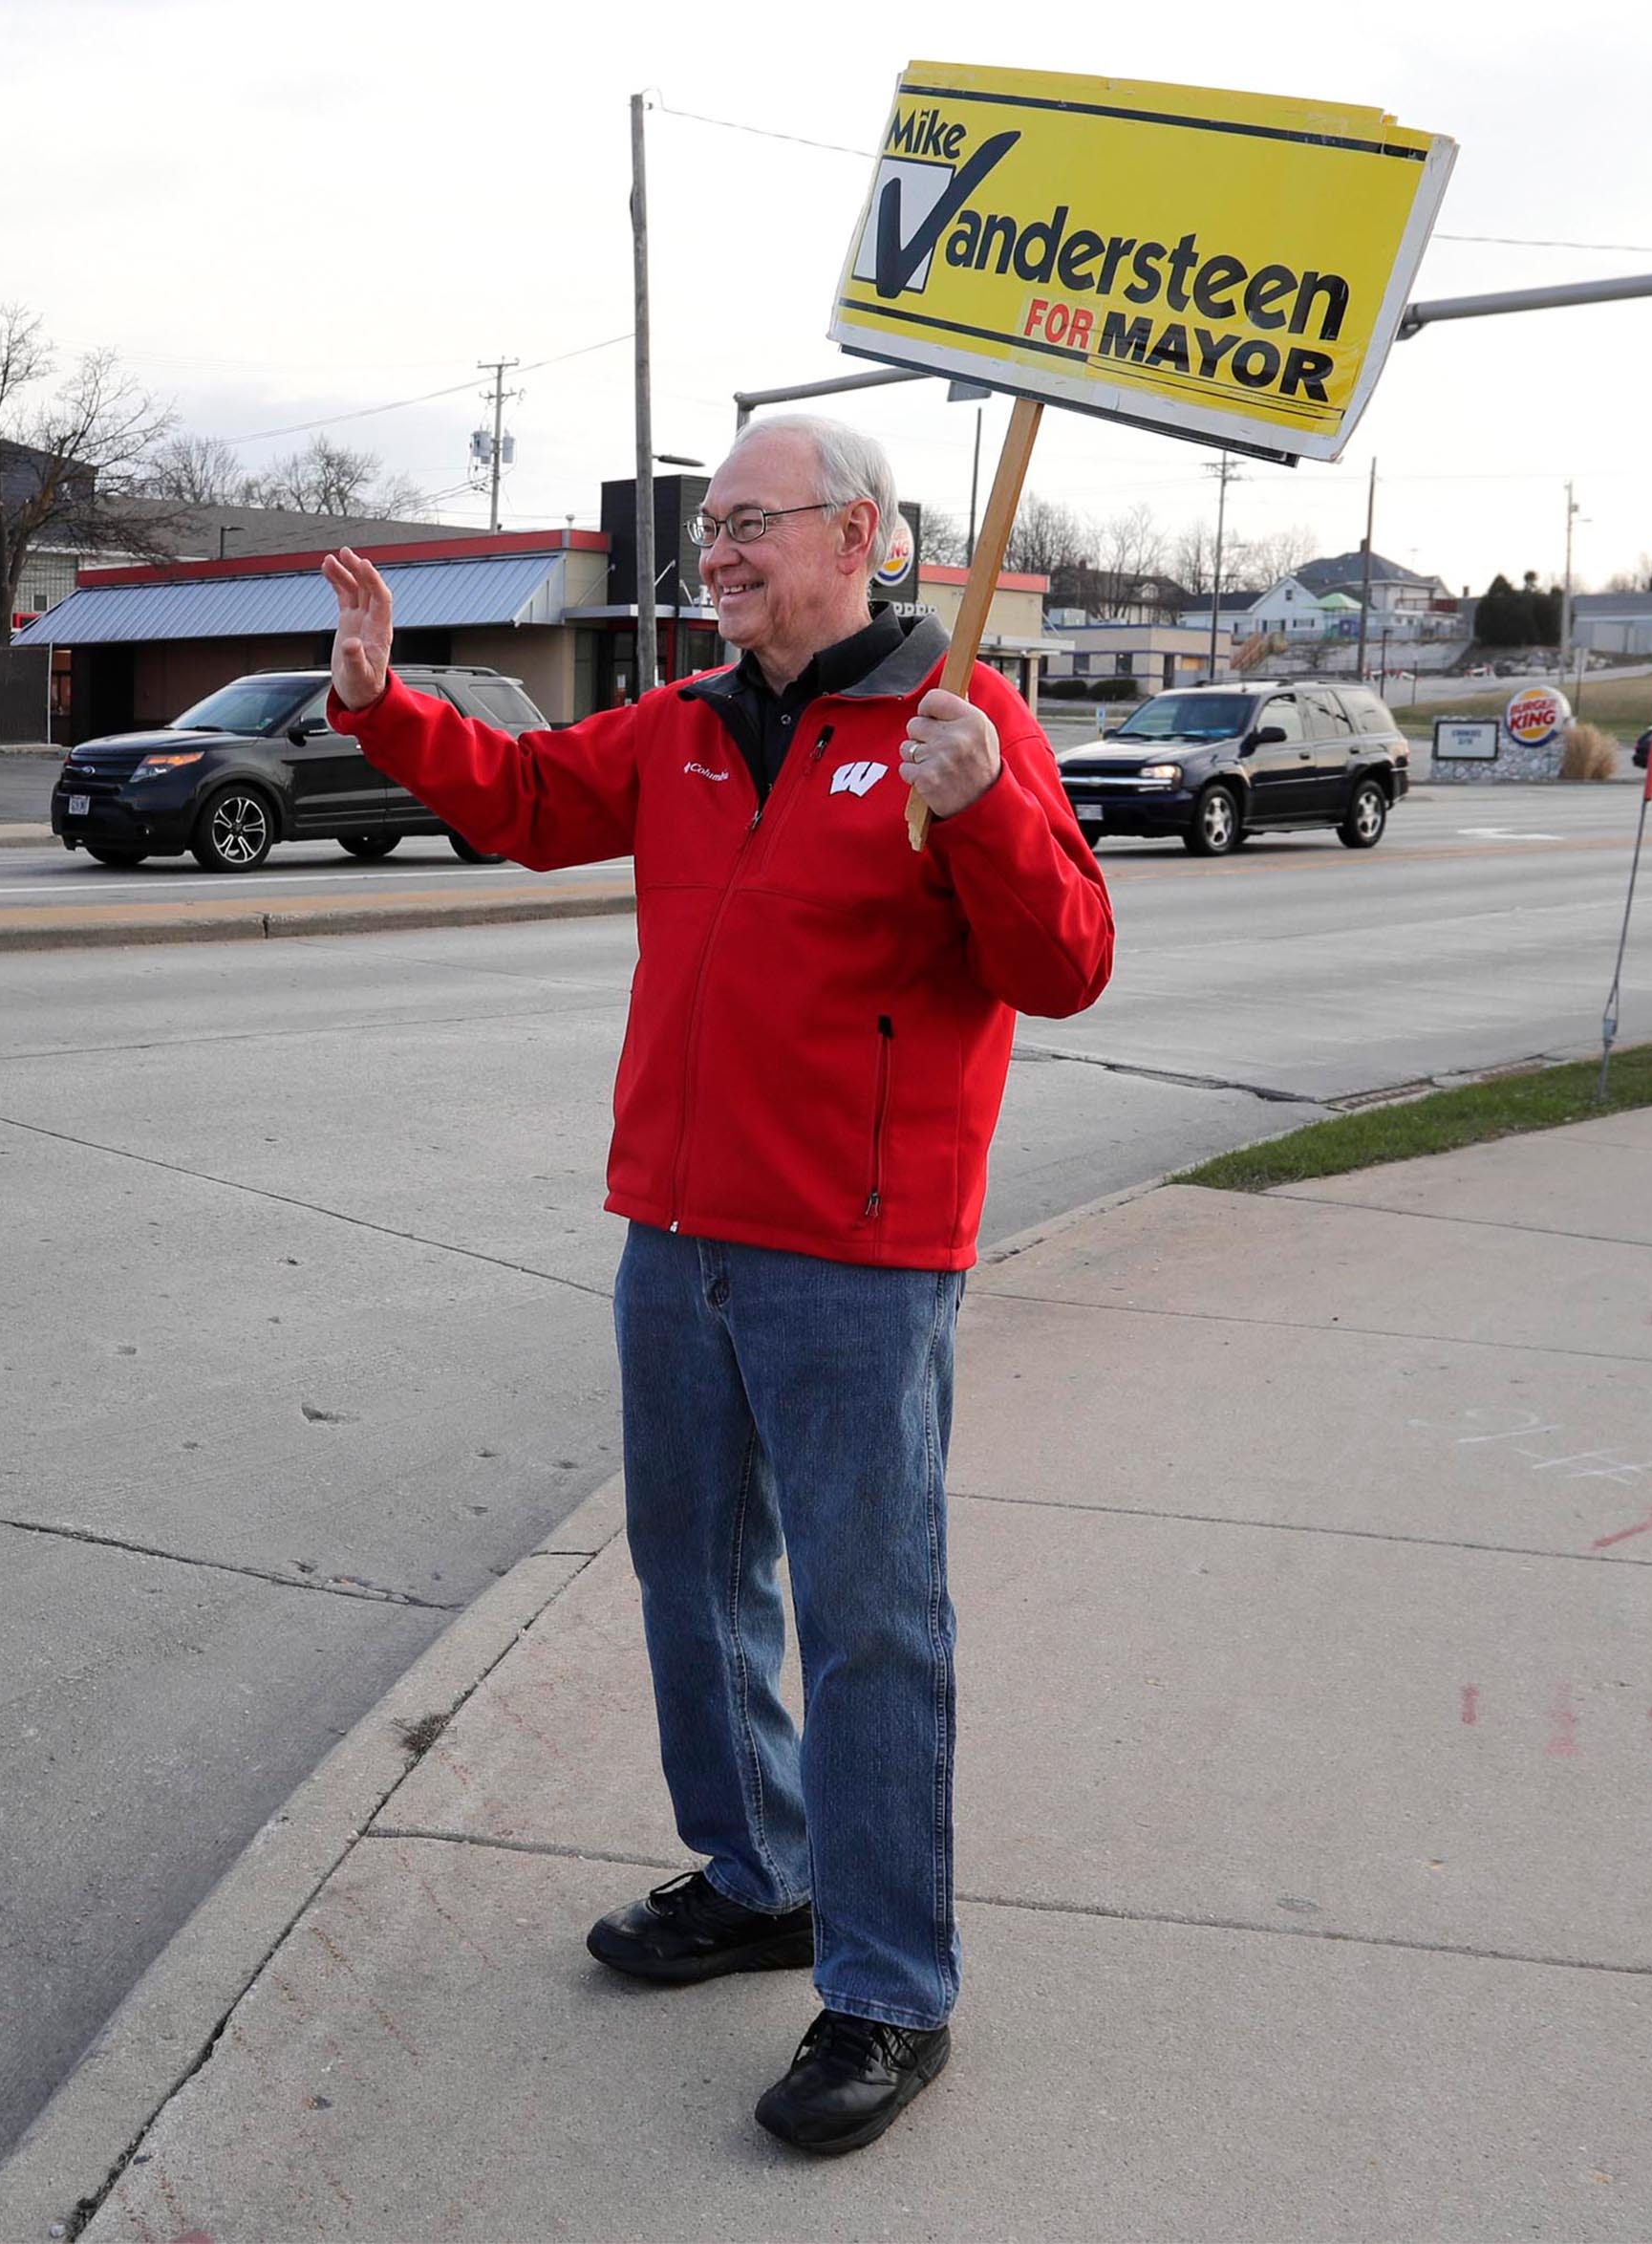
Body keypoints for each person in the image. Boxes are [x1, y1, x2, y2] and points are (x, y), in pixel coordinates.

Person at [320, 413, 1110, 2156]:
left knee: (870, 1621)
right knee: (694, 1573)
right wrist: (386, 707)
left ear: (863, 535)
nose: (722, 555)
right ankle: (760, 1876)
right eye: (710, 532)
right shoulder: (680, 731)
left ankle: (892, 1989)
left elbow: (1064, 967)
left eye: (753, 525)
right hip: (673, 1238)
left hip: (859, 1254)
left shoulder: (955, 727)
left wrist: (981, 811)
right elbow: (527, 808)